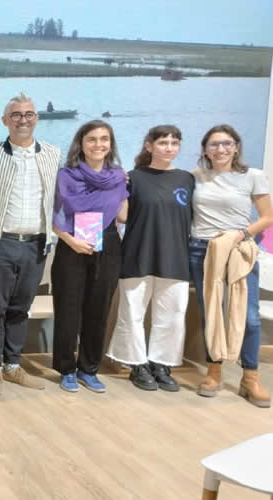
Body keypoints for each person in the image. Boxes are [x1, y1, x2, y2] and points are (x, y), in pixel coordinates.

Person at [0, 93, 62, 396]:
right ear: (5, 121)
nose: (23, 120)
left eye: (28, 114)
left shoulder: (52, 153)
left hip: (36, 245)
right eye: (16, 115)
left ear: (36, 118)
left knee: (20, 308)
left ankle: (13, 365)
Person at [189, 124, 273, 408]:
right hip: (202, 250)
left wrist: (241, 235)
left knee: (248, 316)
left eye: (226, 143)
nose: (220, 149)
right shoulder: (196, 177)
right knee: (211, 312)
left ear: (236, 146)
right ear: (205, 149)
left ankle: (250, 377)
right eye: (214, 144)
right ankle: (214, 373)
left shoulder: (253, 177)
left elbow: (266, 217)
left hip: (239, 249)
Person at [106, 125, 194, 392]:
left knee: (173, 314)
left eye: (174, 143)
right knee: (132, 312)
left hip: (175, 255)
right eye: (163, 142)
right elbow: (122, 217)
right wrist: (118, 186)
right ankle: (137, 364)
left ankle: (161, 363)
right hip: (137, 253)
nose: (169, 148)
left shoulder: (187, 179)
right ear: (149, 146)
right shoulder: (133, 177)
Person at [51, 120, 128, 393]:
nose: (98, 144)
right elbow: (54, 218)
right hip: (71, 244)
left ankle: (89, 369)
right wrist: (71, 241)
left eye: (104, 139)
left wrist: (125, 189)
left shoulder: (118, 177)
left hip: (106, 244)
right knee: (69, 311)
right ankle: (66, 369)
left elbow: (122, 216)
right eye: (92, 139)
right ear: (81, 144)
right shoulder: (66, 175)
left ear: (111, 144)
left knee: (98, 310)